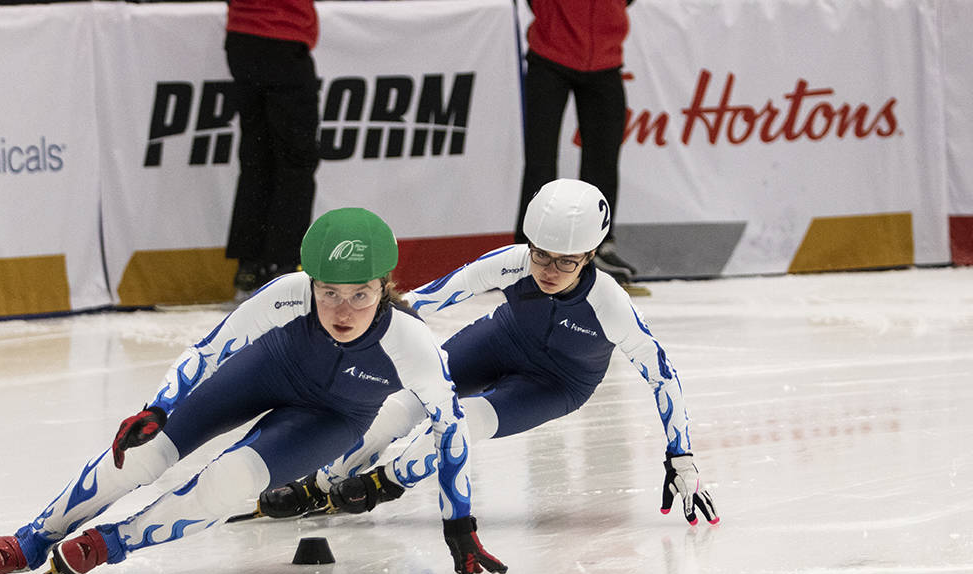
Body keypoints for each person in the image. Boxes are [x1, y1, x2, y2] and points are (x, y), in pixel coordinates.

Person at [0, 208, 507, 574]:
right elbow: (207, 352)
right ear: (309, 281)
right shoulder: (287, 297)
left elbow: (450, 429)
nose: (341, 311)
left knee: (230, 482)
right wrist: (157, 408)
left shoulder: (412, 346)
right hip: (268, 373)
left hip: (333, 417)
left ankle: (112, 543)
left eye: (360, 295)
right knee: (142, 455)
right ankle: (33, 537)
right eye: (328, 292)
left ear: (385, 286)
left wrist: (459, 522)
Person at [257, 179, 719, 529]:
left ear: (592, 253)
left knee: (465, 420)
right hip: (500, 341)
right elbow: (423, 301)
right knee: (403, 403)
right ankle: (319, 482)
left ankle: (384, 483)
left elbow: (662, 375)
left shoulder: (610, 303)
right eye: (541, 255)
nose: (549, 271)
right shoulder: (514, 262)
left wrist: (681, 457)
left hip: (555, 385)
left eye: (567, 262)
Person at [514, 0, 638, 283]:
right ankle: (528, 249)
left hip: (606, 58)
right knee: (540, 162)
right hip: (549, 56)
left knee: (603, 162)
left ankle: (598, 246)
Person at [224, 0, 322, 299]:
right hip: (284, 40)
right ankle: (281, 265)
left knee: (256, 159)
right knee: (295, 163)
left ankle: (249, 265)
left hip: (242, 40)